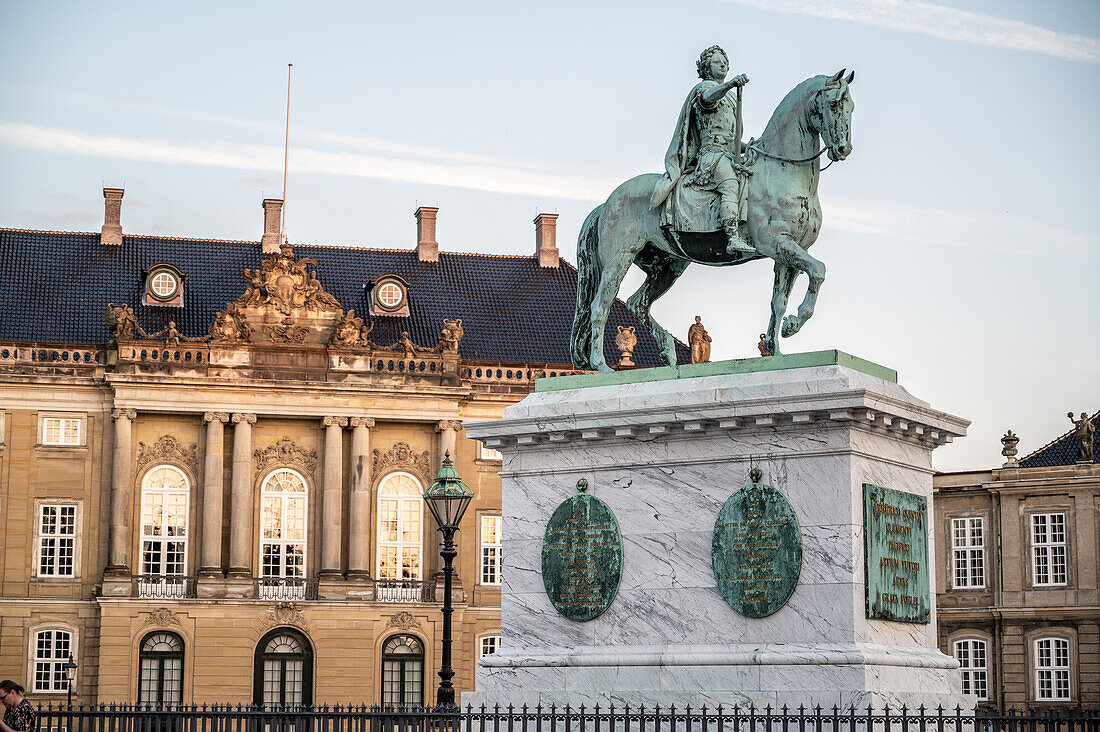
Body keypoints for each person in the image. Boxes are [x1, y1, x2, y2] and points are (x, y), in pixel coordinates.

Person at [652, 45, 754, 256]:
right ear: (707, 68)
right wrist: (730, 84)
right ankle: (732, 236)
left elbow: (733, 141)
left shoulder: (731, 98)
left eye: (725, 61)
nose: (724, 64)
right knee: (729, 183)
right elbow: (708, 100)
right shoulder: (704, 89)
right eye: (718, 62)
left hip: (728, 153)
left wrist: (752, 146)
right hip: (712, 156)